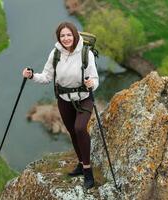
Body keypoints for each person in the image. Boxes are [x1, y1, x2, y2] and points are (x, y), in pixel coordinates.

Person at [22, 22, 99, 189]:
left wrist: (91, 83)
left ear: (75, 35)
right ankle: (80, 164)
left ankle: (88, 171)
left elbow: (95, 79)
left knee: (80, 128)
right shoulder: (55, 53)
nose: (66, 38)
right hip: (64, 100)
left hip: (84, 98)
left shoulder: (86, 53)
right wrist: (32, 75)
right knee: (72, 131)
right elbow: (47, 77)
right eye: (62, 35)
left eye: (68, 35)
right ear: (59, 38)